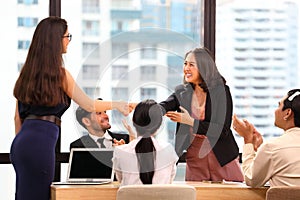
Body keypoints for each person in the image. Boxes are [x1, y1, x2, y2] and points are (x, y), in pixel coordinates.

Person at [10, 16, 133, 200]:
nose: (68, 41)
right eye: (67, 36)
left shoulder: (26, 75)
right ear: (56, 40)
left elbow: (17, 118)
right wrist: (117, 104)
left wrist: (23, 147)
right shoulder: (60, 75)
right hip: (40, 145)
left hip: (21, 145)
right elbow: (89, 105)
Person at [160, 47, 244, 182]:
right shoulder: (182, 92)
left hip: (221, 155)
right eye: (185, 63)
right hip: (195, 157)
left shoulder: (221, 92)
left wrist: (191, 121)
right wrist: (149, 109)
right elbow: (165, 105)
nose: (186, 68)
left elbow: (222, 130)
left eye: (191, 65)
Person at [232, 89, 300, 187]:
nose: (275, 111)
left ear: (288, 113)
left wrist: (248, 140)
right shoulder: (272, 149)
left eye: (279, 105)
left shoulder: (272, 148)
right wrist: (259, 149)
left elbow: (251, 179)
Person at [112, 99, 179, 185]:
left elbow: (121, 181)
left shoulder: (120, 151)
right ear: (159, 124)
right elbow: (169, 181)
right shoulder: (168, 150)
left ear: (133, 121)